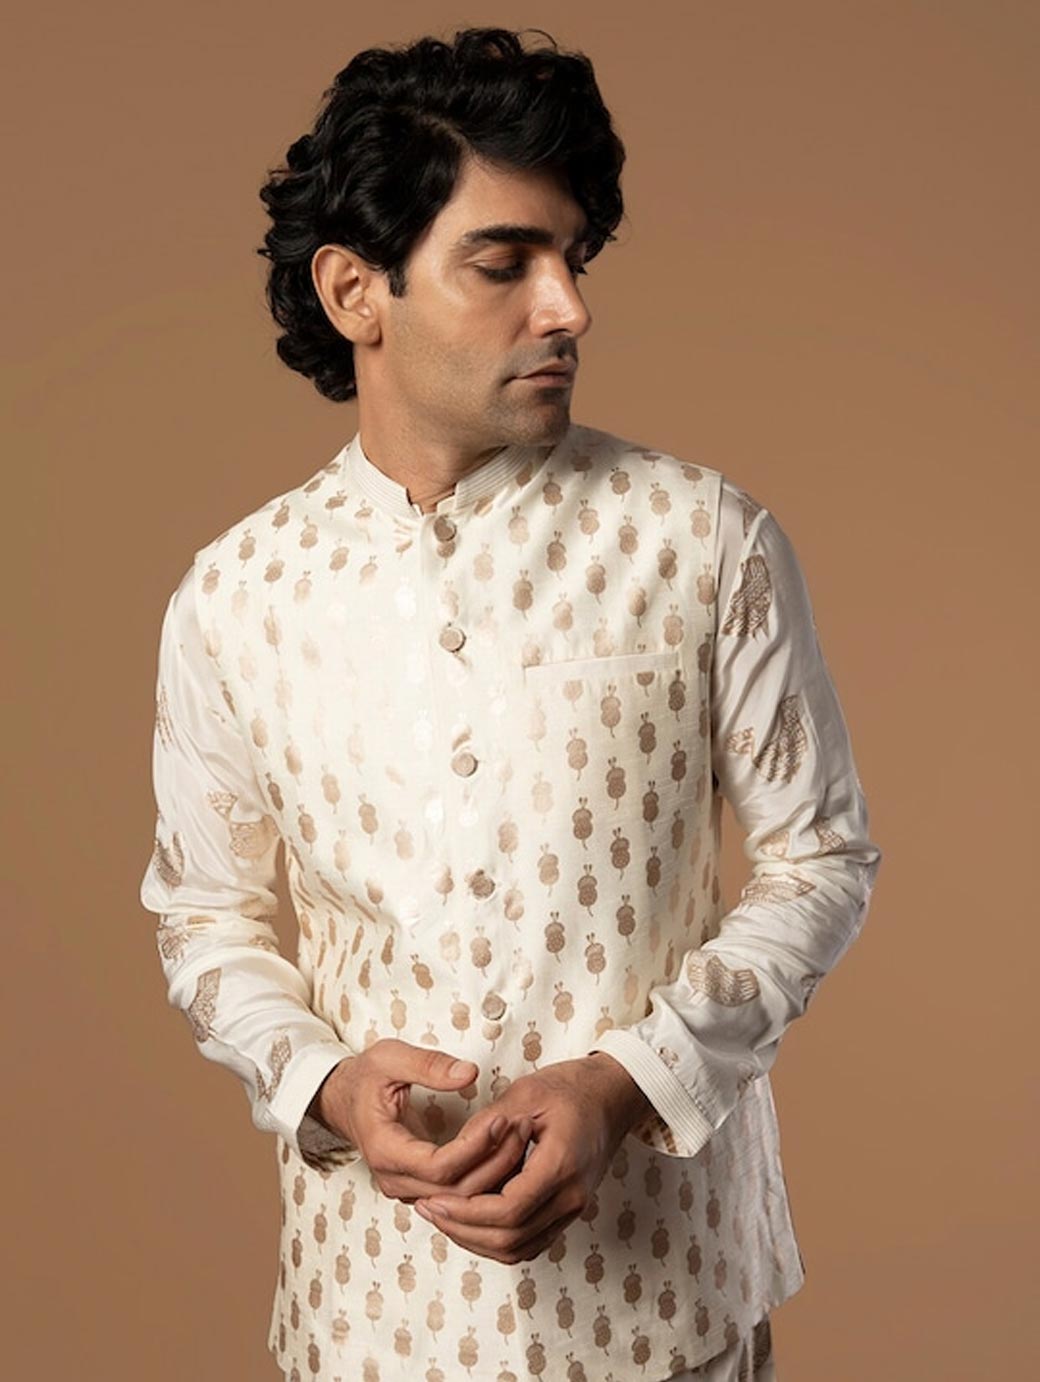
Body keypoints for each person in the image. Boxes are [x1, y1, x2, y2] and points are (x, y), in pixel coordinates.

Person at [139, 26, 881, 1382]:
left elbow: (821, 859)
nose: (568, 307)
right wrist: (323, 1083)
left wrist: (628, 1082)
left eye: (574, 258)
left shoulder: (703, 540)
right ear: (357, 292)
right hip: (370, 1314)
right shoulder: (236, 598)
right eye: (506, 262)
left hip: (671, 1311)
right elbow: (207, 919)